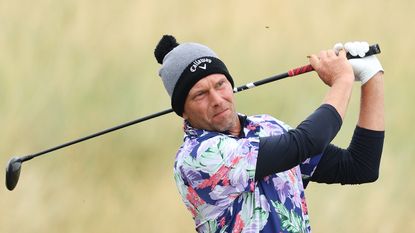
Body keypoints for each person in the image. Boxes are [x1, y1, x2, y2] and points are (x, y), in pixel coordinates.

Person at [154, 35, 384, 233]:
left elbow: (360, 166)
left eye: (220, 84)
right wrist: (342, 80)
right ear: (183, 110)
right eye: (200, 94)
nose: (216, 99)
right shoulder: (197, 157)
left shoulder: (267, 127)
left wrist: (371, 75)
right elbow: (305, 142)